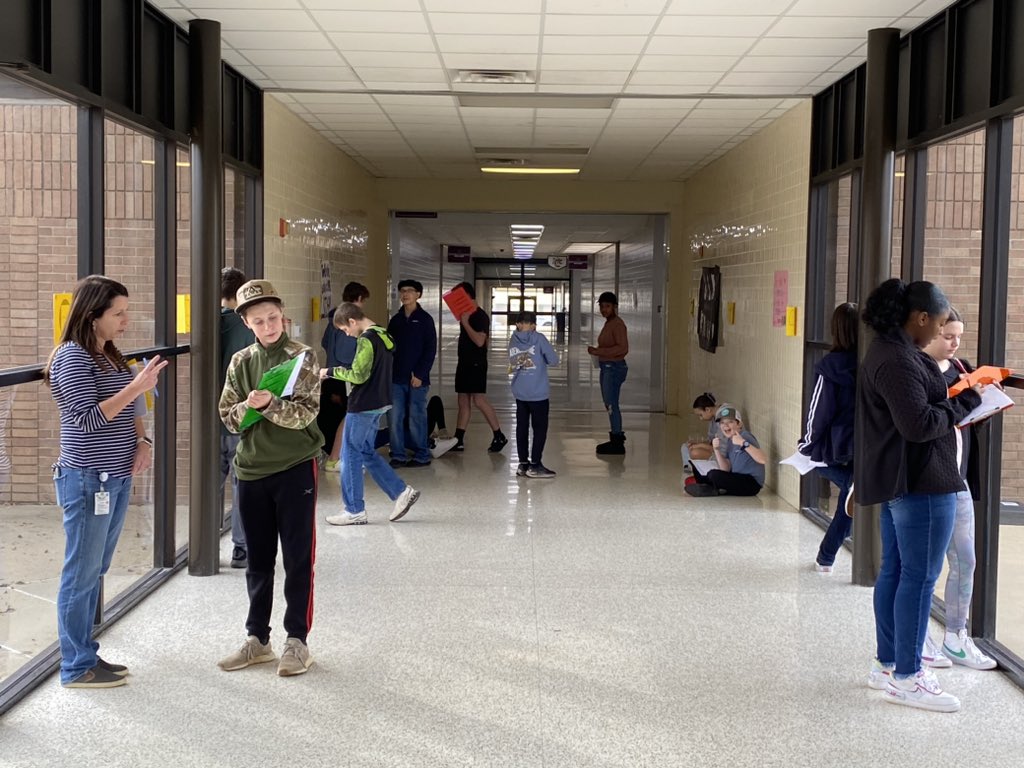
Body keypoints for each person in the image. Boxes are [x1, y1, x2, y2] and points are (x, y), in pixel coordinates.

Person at [858, 279, 983, 713]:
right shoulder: (898, 359)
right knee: (918, 579)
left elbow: (913, 415)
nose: (943, 333)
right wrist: (967, 402)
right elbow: (918, 425)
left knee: (897, 573)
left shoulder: (890, 351)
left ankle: (888, 663)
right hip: (922, 485)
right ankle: (908, 676)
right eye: (942, 323)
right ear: (922, 317)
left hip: (904, 482)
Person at [44, 275, 167, 688]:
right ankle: (75, 666)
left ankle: (85, 653)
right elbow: (86, 419)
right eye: (118, 313)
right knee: (80, 574)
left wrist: (143, 440)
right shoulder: (72, 357)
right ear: (92, 315)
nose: (125, 321)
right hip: (86, 480)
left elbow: (133, 403)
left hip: (114, 477)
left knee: (95, 568)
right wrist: (138, 383)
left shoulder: (109, 353)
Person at [217, 279, 323, 678]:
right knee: (258, 561)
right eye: (259, 321)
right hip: (251, 469)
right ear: (246, 323)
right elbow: (227, 417)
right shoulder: (241, 362)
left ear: (283, 315)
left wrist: (270, 404)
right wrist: (249, 406)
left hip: (295, 466)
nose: (268, 326)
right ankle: (257, 640)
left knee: (298, 559)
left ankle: (298, 641)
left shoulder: (302, 357)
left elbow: (307, 414)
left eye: (274, 318)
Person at [919, 307, 997, 671]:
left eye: (959, 337)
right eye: (947, 336)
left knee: (966, 559)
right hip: (927, 482)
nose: (953, 344)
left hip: (958, 478)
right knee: (925, 565)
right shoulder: (915, 371)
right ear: (930, 330)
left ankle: (956, 635)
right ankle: (918, 637)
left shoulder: (963, 368)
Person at [320, 302, 421, 526]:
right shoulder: (384, 334)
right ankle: (401, 492)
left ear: (352, 321)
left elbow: (358, 375)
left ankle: (354, 509)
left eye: (345, 330)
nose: (347, 334)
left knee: (350, 455)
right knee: (365, 451)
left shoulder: (366, 339)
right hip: (381, 401)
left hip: (363, 404)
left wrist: (329, 372)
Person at [798, 303, 858, 575]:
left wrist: (806, 444)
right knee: (852, 495)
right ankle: (825, 558)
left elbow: (818, 410)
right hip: (869, 445)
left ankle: (825, 559)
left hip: (838, 444)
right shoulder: (873, 364)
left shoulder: (830, 367)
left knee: (813, 462)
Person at [220, 267, 255, 569]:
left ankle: (202, 543)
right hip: (239, 416)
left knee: (209, 482)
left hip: (210, 419)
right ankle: (240, 548)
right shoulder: (248, 328)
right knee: (240, 483)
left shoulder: (208, 323)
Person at [320, 282, 370, 472]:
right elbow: (345, 352)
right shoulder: (349, 320)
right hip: (344, 376)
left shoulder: (333, 317)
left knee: (335, 417)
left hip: (331, 373)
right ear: (358, 299)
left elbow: (326, 343)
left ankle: (335, 455)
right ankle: (336, 457)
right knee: (347, 418)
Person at [451, 281, 507, 453]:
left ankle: (498, 434)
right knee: (463, 401)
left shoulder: (479, 316)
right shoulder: (465, 314)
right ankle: (458, 439)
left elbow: (480, 341)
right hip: (465, 362)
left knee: (478, 399)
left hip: (476, 363)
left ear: (467, 296)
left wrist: (466, 323)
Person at [387, 279, 437, 468]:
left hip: (418, 378)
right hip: (396, 377)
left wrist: (420, 374)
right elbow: (389, 347)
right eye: (402, 291)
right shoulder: (396, 320)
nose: (405, 294)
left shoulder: (424, 320)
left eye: (410, 291)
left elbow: (430, 349)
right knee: (395, 416)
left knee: (417, 416)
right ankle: (398, 454)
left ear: (418, 295)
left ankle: (421, 454)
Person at [508, 310, 560, 478]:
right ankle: (535, 465)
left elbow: (513, 362)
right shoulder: (539, 338)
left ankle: (523, 464)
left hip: (520, 392)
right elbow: (553, 360)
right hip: (538, 393)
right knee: (539, 428)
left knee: (521, 427)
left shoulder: (513, 339)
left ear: (517, 324)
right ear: (533, 325)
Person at [684, 404, 765, 497]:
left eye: (730, 422)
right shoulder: (730, 440)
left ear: (739, 424)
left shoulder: (745, 436)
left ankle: (712, 487)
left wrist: (743, 443)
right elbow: (725, 468)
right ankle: (708, 485)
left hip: (752, 483)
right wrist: (716, 449)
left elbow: (762, 459)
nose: (725, 425)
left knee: (714, 475)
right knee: (702, 471)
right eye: (722, 423)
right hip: (738, 478)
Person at [587, 291, 629, 455]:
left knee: (612, 404)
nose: (604, 310)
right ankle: (615, 437)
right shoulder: (608, 323)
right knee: (609, 403)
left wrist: (599, 351)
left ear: (615, 307)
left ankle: (617, 441)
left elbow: (623, 348)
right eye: (602, 306)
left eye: (607, 306)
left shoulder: (617, 324)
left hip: (614, 367)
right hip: (607, 367)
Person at [681, 392, 719, 469]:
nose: (700, 418)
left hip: (721, 455)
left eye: (700, 415)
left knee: (695, 453)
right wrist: (697, 443)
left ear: (708, 409)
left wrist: (699, 445)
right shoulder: (713, 419)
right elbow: (710, 441)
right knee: (685, 446)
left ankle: (695, 467)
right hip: (713, 448)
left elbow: (719, 448)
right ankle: (689, 466)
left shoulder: (721, 421)